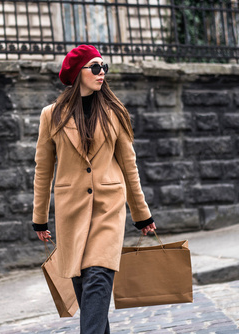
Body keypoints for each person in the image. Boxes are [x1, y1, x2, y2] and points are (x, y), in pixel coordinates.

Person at [31, 45, 157, 334]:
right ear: (78, 74)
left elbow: (129, 166)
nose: (102, 74)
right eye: (95, 67)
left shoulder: (115, 112)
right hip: (70, 212)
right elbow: (43, 168)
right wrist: (39, 217)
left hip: (108, 209)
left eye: (104, 67)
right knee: (87, 291)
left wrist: (142, 215)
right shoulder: (52, 115)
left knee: (98, 279)